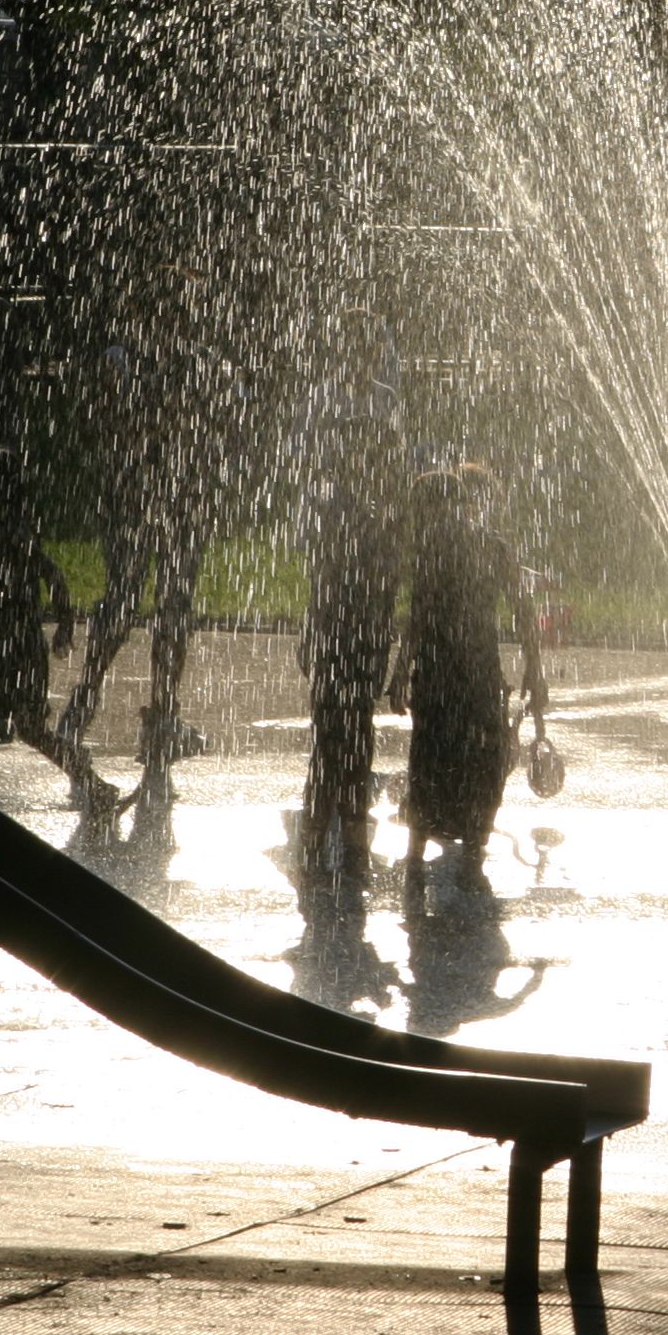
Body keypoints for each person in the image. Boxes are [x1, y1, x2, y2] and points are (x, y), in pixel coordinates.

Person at [53, 282, 226, 811]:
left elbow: (209, 428)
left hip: (173, 496)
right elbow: (111, 426)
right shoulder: (124, 361)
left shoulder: (192, 362)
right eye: (170, 315)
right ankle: (90, 702)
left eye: (183, 316)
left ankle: (155, 713)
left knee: (168, 604)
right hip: (141, 494)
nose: (178, 325)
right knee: (130, 599)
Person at [390, 464, 549, 904]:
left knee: (429, 754)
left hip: (438, 673)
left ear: (433, 508)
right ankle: (474, 847)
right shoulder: (491, 544)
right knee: (487, 754)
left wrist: (402, 670)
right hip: (479, 671)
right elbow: (523, 609)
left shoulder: (431, 547)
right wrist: (534, 668)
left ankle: (419, 848)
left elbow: (419, 615)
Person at [297, 312, 407, 910]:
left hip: (356, 624)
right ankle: (331, 836)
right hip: (349, 623)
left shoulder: (368, 522)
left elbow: (374, 582)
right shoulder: (340, 513)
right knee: (337, 725)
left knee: (348, 723)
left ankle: (336, 833)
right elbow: (327, 577)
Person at [0, 448, 103, 812]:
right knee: (26, 727)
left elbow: (51, 574)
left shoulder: (8, 532)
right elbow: (40, 575)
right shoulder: (0, 529)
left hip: (8, 647)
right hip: (9, 644)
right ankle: (92, 784)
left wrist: (64, 623)